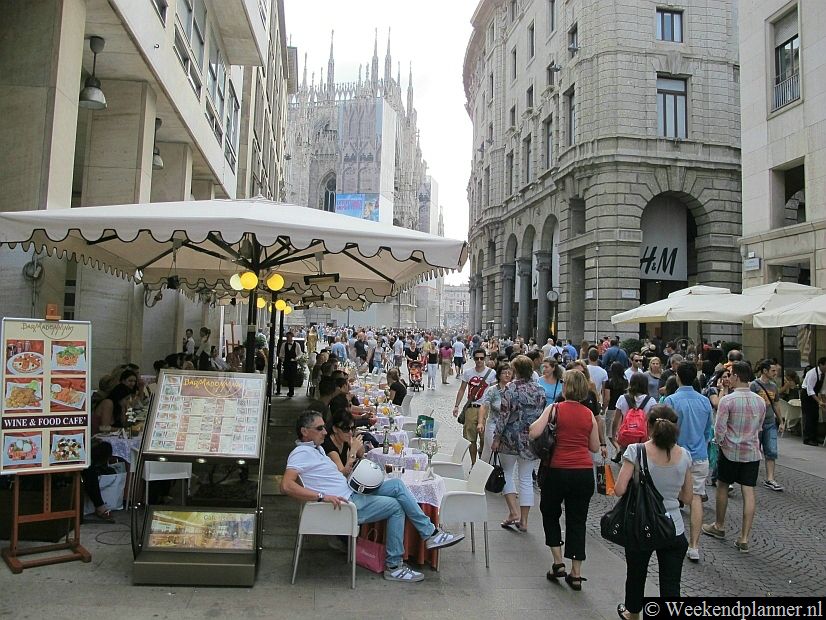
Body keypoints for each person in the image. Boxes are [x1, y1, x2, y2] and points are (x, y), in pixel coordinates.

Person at [281, 411, 464, 583]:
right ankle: (394, 565)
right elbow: (286, 485)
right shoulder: (301, 453)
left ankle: (430, 533)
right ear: (305, 432)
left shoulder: (316, 449)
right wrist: (322, 497)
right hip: (346, 505)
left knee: (397, 485)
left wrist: (351, 464)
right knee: (395, 507)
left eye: (324, 427)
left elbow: (336, 475)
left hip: (350, 492)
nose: (325, 431)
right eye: (319, 428)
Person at [615, 406, 693, 620]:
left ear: (648, 426)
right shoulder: (684, 455)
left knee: (636, 572)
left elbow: (620, 489)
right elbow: (687, 498)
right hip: (673, 527)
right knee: (671, 581)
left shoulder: (635, 451)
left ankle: (633, 613)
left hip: (641, 524)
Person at [530, 370, 600, 591]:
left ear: (566, 387)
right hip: (582, 473)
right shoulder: (589, 414)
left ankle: (558, 561)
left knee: (550, 512)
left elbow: (534, 432)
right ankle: (576, 573)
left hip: (557, 470)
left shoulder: (555, 409)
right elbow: (595, 447)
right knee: (577, 520)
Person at [702, 361, 765, 552]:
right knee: (749, 490)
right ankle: (744, 537)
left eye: (731, 374)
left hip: (730, 450)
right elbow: (759, 427)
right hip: (752, 451)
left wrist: (720, 443)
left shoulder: (727, 401)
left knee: (722, 485)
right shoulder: (760, 400)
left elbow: (719, 428)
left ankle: (719, 525)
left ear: (737, 376)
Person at [663, 362, 713, 562]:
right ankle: (694, 545)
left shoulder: (671, 400)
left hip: (676, 454)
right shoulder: (704, 401)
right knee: (696, 499)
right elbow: (708, 430)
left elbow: (665, 431)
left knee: (669, 497)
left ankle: (669, 536)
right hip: (699, 454)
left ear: (677, 376)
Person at [491, 356, 545, 532]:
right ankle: (524, 520)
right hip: (531, 438)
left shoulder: (511, 389)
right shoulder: (539, 389)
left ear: (517, 370)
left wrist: (496, 437)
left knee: (506, 473)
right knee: (526, 478)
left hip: (511, 438)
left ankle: (513, 512)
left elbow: (503, 416)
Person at [452, 348, 496, 464]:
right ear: (474, 359)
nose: (479, 360)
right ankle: (473, 463)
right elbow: (462, 390)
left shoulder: (491, 373)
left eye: (482, 358)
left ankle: (482, 460)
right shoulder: (468, 373)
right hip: (471, 408)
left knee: (484, 438)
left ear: (485, 358)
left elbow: (495, 392)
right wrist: (456, 406)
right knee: (470, 438)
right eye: (477, 358)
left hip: (486, 408)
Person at [749, 359, 784, 490]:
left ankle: (770, 478)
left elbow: (776, 403)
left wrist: (781, 421)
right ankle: (751, 475)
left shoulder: (774, 386)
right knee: (754, 451)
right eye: (773, 370)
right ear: (765, 371)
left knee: (771, 451)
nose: (775, 373)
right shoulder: (753, 385)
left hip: (769, 423)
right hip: (756, 424)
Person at [610, 373, 656, 461]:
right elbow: (651, 423)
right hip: (643, 438)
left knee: (627, 461)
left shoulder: (622, 398)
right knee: (642, 461)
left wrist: (614, 435)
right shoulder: (651, 401)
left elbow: (615, 420)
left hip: (626, 436)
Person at [477, 362, 512, 464]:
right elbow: (484, 406)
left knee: (504, 456)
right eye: (504, 373)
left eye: (509, 373)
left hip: (508, 428)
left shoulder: (513, 390)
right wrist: (480, 422)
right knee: (491, 451)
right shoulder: (493, 390)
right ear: (499, 375)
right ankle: (489, 473)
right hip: (493, 425)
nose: (507, 375)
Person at [322, 409, 366, 475]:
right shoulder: (328, 446)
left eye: (352, 428)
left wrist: (357, 446)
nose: (350, 432)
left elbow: (361, 454)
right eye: (346, 429)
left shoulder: (344, 439)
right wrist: (353, 451)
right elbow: (343, 474)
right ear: (335, 429)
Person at [800, 357, 826, 446]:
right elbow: (810, 390)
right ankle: (808, 438)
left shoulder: (823, 374)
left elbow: (822, 390)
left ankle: (814, 436)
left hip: (814, 395)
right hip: (806, 395)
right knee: (809, 416)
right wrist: (819, 401)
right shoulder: (812, 373)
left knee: (815, 416)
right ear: (821, 365)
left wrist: (823, 402)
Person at [603, 362, 628, 444]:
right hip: (624, 410)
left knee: (610, 434)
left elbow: (607, 398)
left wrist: (603, 408)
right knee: (621, 431)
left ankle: (617, 448)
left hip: (612, 408)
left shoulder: (609, 383)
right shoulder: (626, 382)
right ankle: (619, 447)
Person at [279, 332, 301, 397]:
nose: (287, 338)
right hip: (286, 363)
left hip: (293, 363)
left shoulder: (297, 344)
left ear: (292, 337)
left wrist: (296, 358)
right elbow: (281, 354)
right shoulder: (284, 344)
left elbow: (299, 354)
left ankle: (291, 391)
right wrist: (283, 360)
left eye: (288, 337)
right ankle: (290, 390)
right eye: (287, 337)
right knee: (287, 377)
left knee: (292, 377)